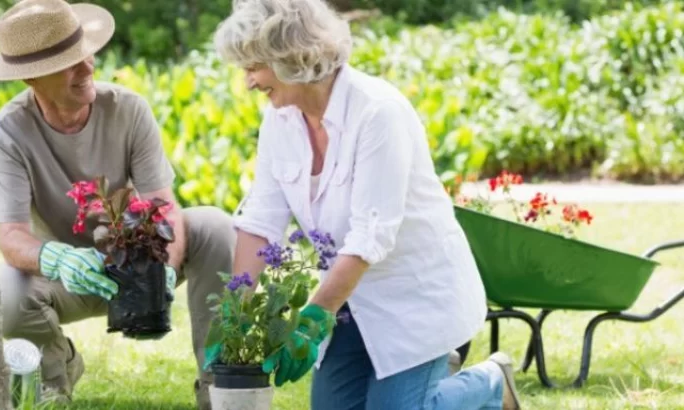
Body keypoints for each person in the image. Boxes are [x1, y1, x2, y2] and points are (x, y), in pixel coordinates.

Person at [206, 0, 523, 409]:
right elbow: (261, 220)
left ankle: (490, 383)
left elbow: (370, 237)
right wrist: (238, 306)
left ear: (292, 56)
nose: (249, 82)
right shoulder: (280, 119)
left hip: (414, 299)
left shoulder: (378, 112)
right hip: (348, 304)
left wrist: (310, 323)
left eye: (254, 66)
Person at [0, 0, 234, 408]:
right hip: (68, 280)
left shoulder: (127, 109)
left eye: (85, 53)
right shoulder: (10, 131)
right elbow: (11, 237)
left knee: (215, 226)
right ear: (30, 77)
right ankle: (55, 376)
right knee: (5, 289)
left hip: (137, 262)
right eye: (69, 63)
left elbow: (162, 205)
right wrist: (58, 259)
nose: (87, 68)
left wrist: (163, 270)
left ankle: (220, 387)